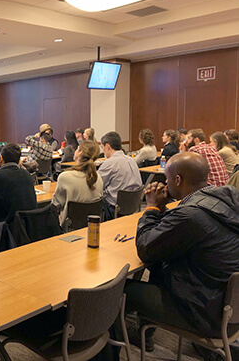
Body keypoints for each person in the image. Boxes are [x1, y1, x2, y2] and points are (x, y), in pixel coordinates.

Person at [124, 152, 239, 351]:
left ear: (177, 180)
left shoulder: (190, 216)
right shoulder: (227, 196)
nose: (165, 184)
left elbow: (145, 248)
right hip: (229, 306)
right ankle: (144, 335)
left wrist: (151, 208)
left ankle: (122, 345)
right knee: (162, 264)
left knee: (122, 290)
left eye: (167, 179)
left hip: (206, 312)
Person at [0, 143, 37, 223]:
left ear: (1, 159)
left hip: (6, 228)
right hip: (29, 225)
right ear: (19, 160)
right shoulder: (27, 175)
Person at [52, 141, 103, 228]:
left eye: (77, 149)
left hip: (69, 227)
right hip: (92, 226)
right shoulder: (98, 177)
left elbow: (55, 205)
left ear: (80, 153)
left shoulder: (65, 177)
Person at [98, 131, 142, 220]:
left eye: (103, 148)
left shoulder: (109, 163)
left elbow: (98, 185)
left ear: (107, 146)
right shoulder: (131, 160)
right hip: (133, 205)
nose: (103, 151)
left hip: (114, 208)